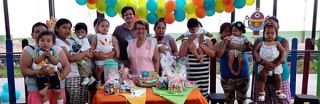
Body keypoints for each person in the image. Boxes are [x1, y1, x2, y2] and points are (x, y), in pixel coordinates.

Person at [20, 22, 70, 104]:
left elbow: (67, 67)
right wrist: (40, 73)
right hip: (36, 89)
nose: (41, 33)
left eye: (44, 31)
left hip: (57, 90)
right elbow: (24, 70)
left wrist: (57, 80)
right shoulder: (29, 49)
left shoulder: (57, 49)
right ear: (32, 35)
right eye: (37, 31)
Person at [203, 22, 250, 104]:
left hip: (243, 76)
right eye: (225, 31)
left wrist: (234, 45)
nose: (228, 33)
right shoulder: (218, 43)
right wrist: (225, 43)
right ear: (221, 33)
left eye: (230, 31)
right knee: (229, 101)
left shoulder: (241, 40)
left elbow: (249, 48)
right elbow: (219, 54)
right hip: (227, 78)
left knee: (242, 100)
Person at [253, 16, 291, 104]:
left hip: (280, 77)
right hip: (262, 78)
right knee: (262, 102)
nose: (270, 25)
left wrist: (266, 68)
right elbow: (255, 56)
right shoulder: (259, 41)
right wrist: (264, 64)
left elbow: (283, 55)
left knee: (282, 102)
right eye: (267, 24)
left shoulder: (283, 41)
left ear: (277, 27)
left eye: (272, 24)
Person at [54, 18, 90, 103]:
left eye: (69, 28)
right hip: (70, 76)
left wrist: (85, 53)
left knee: (82, 100)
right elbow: (70, 58)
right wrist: (85, 53)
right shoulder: (57, 42)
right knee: (74, 101)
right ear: (56, 28)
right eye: (64, 27)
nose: (67, 30)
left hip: (81, 73)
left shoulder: (71, 41)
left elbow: (89, 54)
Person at [178, 24, 216, 97]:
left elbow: (212, 54)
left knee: (203, 97)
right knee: (192, 98)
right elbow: (181, 55)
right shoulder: (186, 42)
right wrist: (189, 41)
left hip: (204, 78)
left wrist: (200, 43)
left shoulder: (208, 42)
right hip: (191, 78)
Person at [32, 31, 62, 104]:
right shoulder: (36, 51)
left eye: (48, 41)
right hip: (41, 74)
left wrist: (50, 56)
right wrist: (43, 55)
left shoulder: (53, 51)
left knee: (57, 91)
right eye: (42, 40)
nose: (45, 43)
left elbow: (56, 62)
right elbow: (36, 61)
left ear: (53, 44)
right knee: (42, 93)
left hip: (53, 73)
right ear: (38, 43)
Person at [91, 18, 120, 86]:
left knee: (111, 69)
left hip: (109, 58)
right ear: (98, 27)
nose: (105, 28)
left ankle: (110, 81)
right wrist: (91, 52)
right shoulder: (97, 36)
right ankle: (98, 81)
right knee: (99, 68)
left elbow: (115, 46)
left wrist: (117, 52)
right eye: (102, 26)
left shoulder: (111, 36)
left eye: (107, 26)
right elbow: (93, 45)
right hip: (99, 57)